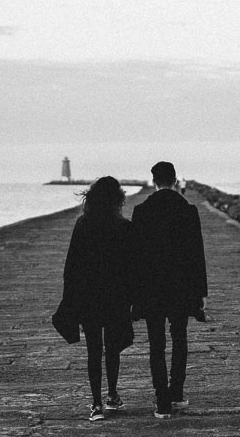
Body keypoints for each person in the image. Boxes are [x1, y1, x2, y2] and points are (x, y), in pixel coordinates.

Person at [129, 160, 207, 418]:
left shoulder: (141, 211)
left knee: (156, 343)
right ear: (174, 180)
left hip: (151, 288)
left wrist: (134, 294)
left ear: (154, 181)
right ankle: (177, 392)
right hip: (181, 288)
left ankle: (162, 401)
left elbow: (136, 257)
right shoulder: (189, 210)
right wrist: (199, 294)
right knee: (179, 338)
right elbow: (197, 255)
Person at [59, 176, 136, 420]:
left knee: (94, 349)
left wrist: (70, 299)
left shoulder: (83, 224)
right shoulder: (124, 227)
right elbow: (132, 268)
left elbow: (71, 266)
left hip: (89, 297)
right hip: (116, 297)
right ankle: (112, 395)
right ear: (117, 199)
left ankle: (96, 405)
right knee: (112, 348)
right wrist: (133, 299)